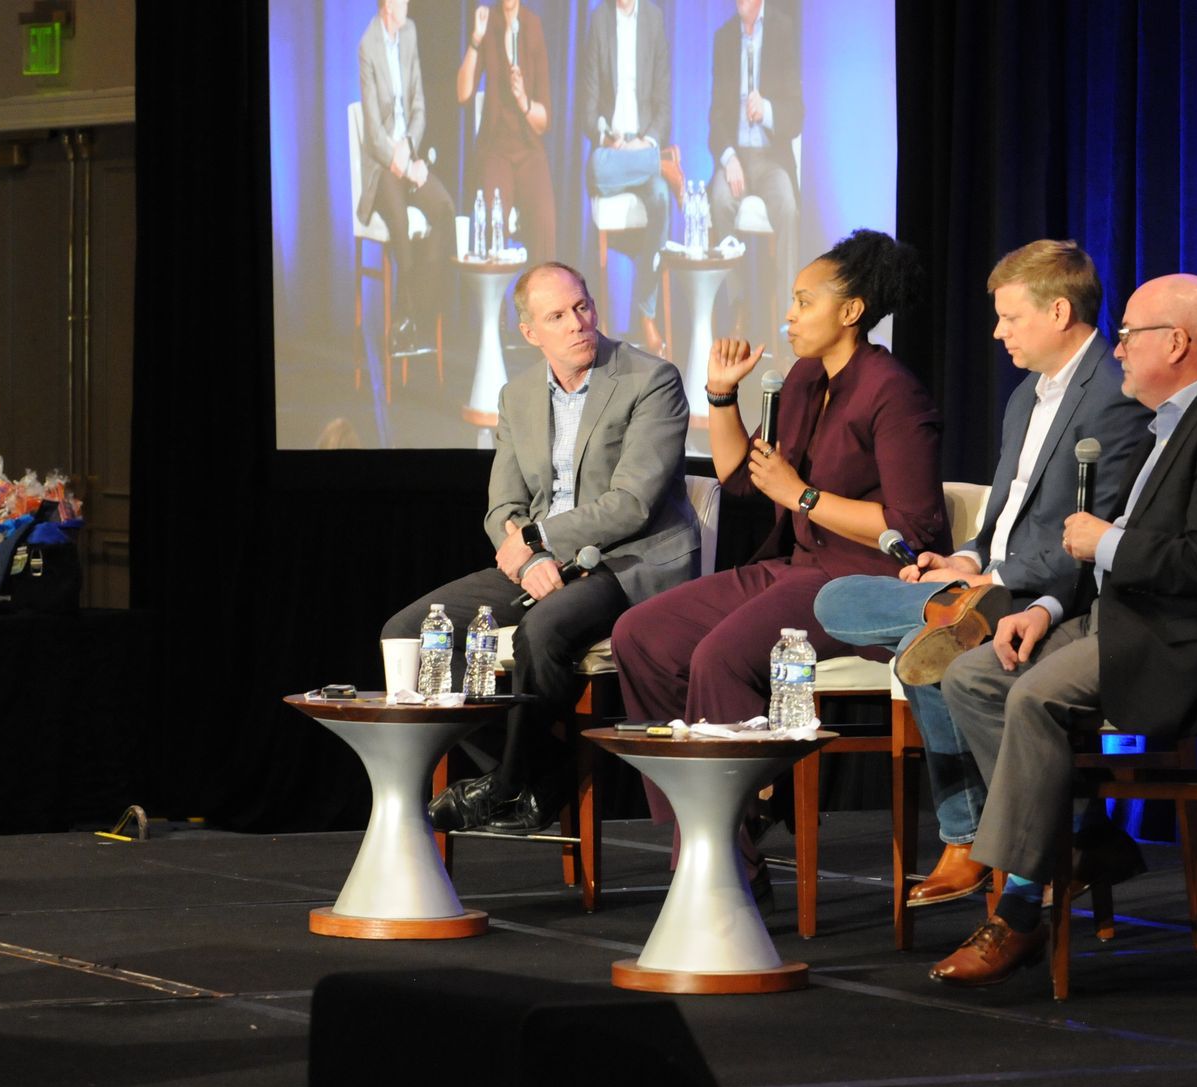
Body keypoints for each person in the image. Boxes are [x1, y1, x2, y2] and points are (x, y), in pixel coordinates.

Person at [927, 273, 1197, 986]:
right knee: (971, 675)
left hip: (1175, 644)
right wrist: (1042, 609)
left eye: (1130, 335)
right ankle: (1079, 838)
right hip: (1118, 621)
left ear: (1179, 342)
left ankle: (1018, 909)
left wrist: (1103, 543)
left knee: (1033, 697)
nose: (1119, 349)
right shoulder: (1170, 422)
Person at [812, 239, 1151, 907]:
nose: (997, 332)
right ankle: (1075, 818)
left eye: (1010, 318)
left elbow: (1093, 536)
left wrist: (997, 583)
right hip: (988, 584)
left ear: (1058, 312)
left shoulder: (1114, 396)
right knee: (836, 599)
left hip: (1048, 597)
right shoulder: (1027, 393)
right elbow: (1006, 511)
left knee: (927, 649)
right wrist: (965, 558)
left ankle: (969, 833)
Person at [610, 230, 949, 881]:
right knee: (641, 634)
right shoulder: (802, 378)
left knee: (719, 657)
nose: (788, 315)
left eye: (802, 301)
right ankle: (707, 819)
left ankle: (720, 863)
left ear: (851, 310)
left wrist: (805, 495)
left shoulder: (892, 392)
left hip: (860, 582)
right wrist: (719, 395)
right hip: (792, 567)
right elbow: (743, 478)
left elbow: (914, 527)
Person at [383, 263, 696, 832]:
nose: (578, 323)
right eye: (557, 316)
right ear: (531, 332)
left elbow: (632, 503)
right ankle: (545, 768)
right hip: (538, 560)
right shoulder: (518, 395)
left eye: (582, 307)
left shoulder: (652, 379)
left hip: (630, 560)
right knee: (407, 634)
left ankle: (505, 785)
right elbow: (502, 507)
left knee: (545, 630)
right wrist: (527, 556)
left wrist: (537, 541)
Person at [357, 0, 457, 355]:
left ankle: (416, 313)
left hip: (409, 153)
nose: (407, 4)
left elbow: (419, 105)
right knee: (400, 225)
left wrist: (411, 147)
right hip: (382, 165)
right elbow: (371, 129)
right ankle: (407, 317)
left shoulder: (409, 33)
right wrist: (396, 159)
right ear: (386, 5)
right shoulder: (367, 46)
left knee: (444, 209)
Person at [576, 0, 675, 351]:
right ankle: (660, 164)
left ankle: (646, 314)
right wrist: (606, 136)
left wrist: (647, 142)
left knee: (662, 198)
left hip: (642, 143)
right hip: (612, 151)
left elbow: (663, 98)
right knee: (597, 167)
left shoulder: (653, 19)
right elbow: (587, 101)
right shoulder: (599, 20)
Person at [707, 0, 802, 335]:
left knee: (788, 206)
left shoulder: (782, 31)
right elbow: (716, 115)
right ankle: (738, 304)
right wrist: (729, 157)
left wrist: (768, 111)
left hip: (771, 157)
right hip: (738, 157)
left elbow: (796, 115)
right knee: (718, 199)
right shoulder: (723, 37)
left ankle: (792, 311)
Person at [458, 0, 557, 259]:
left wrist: (523, 100)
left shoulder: (533, 26)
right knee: (494, 219)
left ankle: (538, 298)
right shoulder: (488, 23)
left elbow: (544, 119)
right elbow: (463, 94)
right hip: (496, 149)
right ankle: (495, 299)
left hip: (529, 149)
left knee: (545, 220)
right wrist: (475, 40)